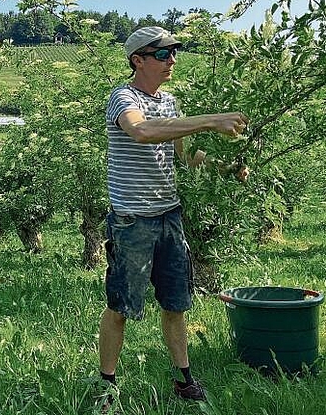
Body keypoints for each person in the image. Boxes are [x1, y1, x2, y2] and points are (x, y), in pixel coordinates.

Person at [99, 26, 248, 405]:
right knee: (121, 306)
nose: (172, 60)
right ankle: (106, 385)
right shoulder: (123, 98)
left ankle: (184, 380)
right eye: (163, 54)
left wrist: (223, 167)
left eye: (173, 53)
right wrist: (211, 120)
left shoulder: (170, 103)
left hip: (169, 217)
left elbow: (182, 156)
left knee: (175, 303)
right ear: (138, 60)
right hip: (132, 221)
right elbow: (143, 132)